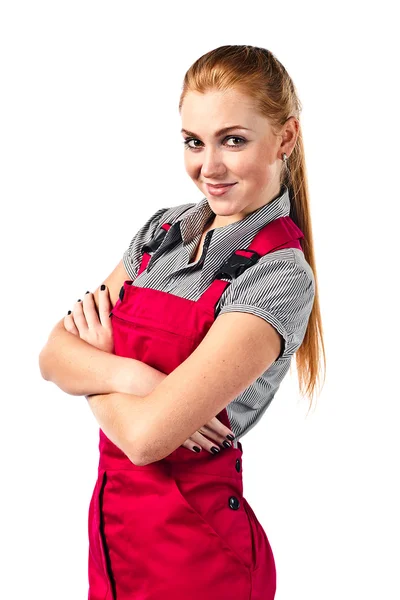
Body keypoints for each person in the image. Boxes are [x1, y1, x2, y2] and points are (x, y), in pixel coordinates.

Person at [39, 44, 325, 600]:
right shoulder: (161, 235)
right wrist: (138, 380)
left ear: (285, 138)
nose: (208, 167)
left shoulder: (278, 277)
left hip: (198, 561)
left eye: (233, 140)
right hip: (114, 543)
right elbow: (51, 355)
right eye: (194, 142)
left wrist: (96, 368)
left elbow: (146, 441)